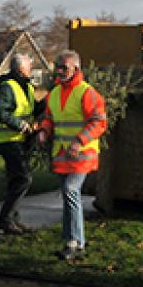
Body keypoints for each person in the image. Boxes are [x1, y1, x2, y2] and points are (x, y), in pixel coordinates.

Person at [36, 50, 107, 261]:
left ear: (76, 68)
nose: (59, 70)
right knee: (68, 196)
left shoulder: (87, 93)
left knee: (70, 190)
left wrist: (79, 140)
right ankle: (71, 241)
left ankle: (75, 241)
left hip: (82, 154)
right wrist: (43, 131)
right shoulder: (55, 93)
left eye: (63, 67)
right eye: (57, 66)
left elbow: (99, 122)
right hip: (62, 155)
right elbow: (49, 118)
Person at [0, 53, 45, 235]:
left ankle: (12, 220)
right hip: (9, 141)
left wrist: (49, 99)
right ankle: (4, 219)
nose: (31, 68)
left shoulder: (26, 87)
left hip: (21, 141)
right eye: (30, 65)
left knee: (16, 181)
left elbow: (33, 109)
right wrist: (20, 125)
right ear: (21, 68)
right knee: (23, 179)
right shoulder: (8, 87)